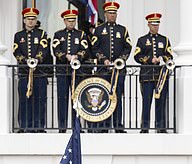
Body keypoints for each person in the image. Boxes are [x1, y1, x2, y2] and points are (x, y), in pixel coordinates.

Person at [91, 1, 131, 132]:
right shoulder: (98, 30)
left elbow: (128, 47)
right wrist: (104, 60)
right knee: (104, 96)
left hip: (119, 70)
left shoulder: (123, 30)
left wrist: (121, 60)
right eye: (110, 13)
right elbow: (94, 48)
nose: (112, 15)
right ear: (106, 14)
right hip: (104, 70)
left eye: (114, 13)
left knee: (118, 96)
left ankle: (118, 125)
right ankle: (104, 125)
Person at [134, 13, 173, 134]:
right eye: (153, 24)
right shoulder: (142, 40)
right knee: (146, 102)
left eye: (157, 24)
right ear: (148, 24)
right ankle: (144, 127)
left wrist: (162, 58)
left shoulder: (165, 40)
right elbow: (137, 56)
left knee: (161, 102)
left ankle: (160, 126)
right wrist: (149, 60)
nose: (156, 27)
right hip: (146, 76)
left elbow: (170, 55)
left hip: (161, 76)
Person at [52, 9, 89, 133]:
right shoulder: (58, 34)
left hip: (77, 72)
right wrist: (66, 56)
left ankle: (76, 127)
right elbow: (56, 50)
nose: (71, 23)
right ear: (64, 21)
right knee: (62, 99)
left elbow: (85, 48)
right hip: (63, 71)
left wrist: (77, 56)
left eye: (73, 21)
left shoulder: (81, 34)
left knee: (77, 99)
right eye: (69, 21)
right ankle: (62, 127)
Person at [13, 7, 50, 132]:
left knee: (40, 101)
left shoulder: (42, 34)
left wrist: (36, 60)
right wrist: (25, 61)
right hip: (24, 74)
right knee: (24, 100)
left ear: (36, 21)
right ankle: (24, 126)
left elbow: (44, 49)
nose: (30, 21)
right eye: (28, 19)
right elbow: (16, 51)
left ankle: (39, 126)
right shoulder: (18, 36)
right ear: (24, 20)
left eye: (33, 19)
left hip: (39, 74)